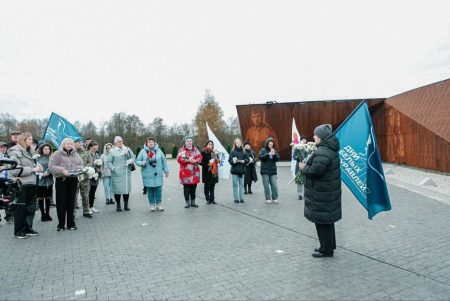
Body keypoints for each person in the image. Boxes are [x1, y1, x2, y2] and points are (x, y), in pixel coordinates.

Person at [299, 124, 341, 258]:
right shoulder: (329, 149)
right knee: (327, 223)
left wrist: (303, 168)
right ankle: (328, 246)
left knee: (322, 223)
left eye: (315, 135)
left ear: (321, 137)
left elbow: (315, 171)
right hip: (326, 192)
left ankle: (326, 250)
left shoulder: (323, 151)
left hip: (322, 193)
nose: (313, 137)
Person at [8, 133, 42, 238]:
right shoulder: (15, 151)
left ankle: (28, 228)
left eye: (32, 139)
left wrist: (38, 167)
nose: (32, 141)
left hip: (32, 183)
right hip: (21, 184)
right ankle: (19, 231)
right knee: (20, 209)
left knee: (30, 209)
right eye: (30, 139)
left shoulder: (30, 152)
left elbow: (34, 165)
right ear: (24, 140)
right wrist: (32, 169)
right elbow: (14, 169)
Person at [48, 138, 84, 231]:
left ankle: (71, 223)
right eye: (68, 143)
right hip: (61, 180)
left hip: (73, 179)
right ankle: (61, 224)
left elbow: (81, 165)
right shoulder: (56, 154)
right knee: (61, 202)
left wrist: (76, 169)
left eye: (71, 143)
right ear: (63, 144)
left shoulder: (76, 154)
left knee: (71, 202)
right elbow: (51, 166)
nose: (70, 145)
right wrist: (62, 170)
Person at [135, 137, 169, 211]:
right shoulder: (143, 151)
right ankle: (152, 205)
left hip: (158, 173)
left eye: (152, 142)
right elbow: (137, 161)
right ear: (146, 143)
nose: (151, 143)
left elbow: (164, 161)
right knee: (150, 190)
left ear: (154, 143)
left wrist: (166, 171)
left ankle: (159, 204)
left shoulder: (159, 151)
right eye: (149, 142)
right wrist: (142, 163)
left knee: (159, 189)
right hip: (148, 174)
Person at [107, 136, 135, 212]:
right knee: (117, 190)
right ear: (115, 143)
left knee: (126, 190)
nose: (120, 142)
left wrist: (129, 161)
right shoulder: (112, 151)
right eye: (118, 141)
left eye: (121, 141)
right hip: (117, 173)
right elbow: (108, 162)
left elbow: (133, 157)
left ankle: (126, 204)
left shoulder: (127, 149)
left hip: (126, 173)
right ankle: (118, 205)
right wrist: (113, 168)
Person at [177, 136, 202, 208]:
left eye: (190, 141)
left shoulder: (196, 149)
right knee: (186, 188)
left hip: (195, 173)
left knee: (194, 188)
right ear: (185, 142)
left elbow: (200, 157)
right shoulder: (182, 150)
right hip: (185, 173)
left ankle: (193, 201)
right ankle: (187, 202)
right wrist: (188, 160)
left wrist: (196, 160)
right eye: (188, 141)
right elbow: (179, 159)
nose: (189, 142)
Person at [74, 138, 93, 218]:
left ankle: (86, 211)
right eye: (78, 142)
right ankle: (72, 213)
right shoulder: (71, 153)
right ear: (74, 143)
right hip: (74, 177)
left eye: (81, 142)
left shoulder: (86, 152)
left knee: (85, 195)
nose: (80, 143)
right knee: (74, 196)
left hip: (84, 177)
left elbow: (90, 162)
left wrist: (85, 168)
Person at [36, 143, 54, 222]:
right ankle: (42, 214)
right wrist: (40, 173)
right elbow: (35, 167)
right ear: (42, 150)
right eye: (45, 149)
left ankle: (47, 214)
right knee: (41, 198)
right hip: (40, 181)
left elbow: (53, 167)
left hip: (49, 180)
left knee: (48, 198)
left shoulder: (52, 158)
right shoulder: (37, 158)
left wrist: (49, 172)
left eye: (48, 149)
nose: (47, 150)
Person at [259, 137, 280, 204]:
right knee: (266, 185)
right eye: (269, 144)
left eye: (272, 144)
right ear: (267, 144)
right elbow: (261, 157)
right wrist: (268, 154)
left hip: (273, 171)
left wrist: (274, 155)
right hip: (265, 171)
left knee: (274, 185)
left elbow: (277, 159)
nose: (271, 145)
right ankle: (268, 198)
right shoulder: (263, 150)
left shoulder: (275, 150)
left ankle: (275, 198)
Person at [229, 138, 248, 203]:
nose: (238, 143)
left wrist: (244, 161)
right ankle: (236, 198)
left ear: (241, 143)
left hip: (242, 171)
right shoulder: (232, 152)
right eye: (237, 142)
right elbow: (230, 161)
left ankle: (242, 198)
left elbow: (247, 159)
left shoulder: (244, 151)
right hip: (234, 171)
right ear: (235, 144)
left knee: (241, 185)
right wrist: (233, 161)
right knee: (235, 185)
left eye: (239, 142)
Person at [200, 140, 219, 205]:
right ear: (206, 145)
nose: (210, 145)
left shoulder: (214, 152)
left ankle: (212, 199)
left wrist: (217, 156)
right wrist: (208, 164)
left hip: (214, 171)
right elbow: (201, 162)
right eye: (209, 144)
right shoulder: (203, 152)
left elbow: (217, 161)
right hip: (207, 172)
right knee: (207, 186)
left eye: (211, 144)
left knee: (212, 185)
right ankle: (207, 199)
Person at [0, 141, 14, 223]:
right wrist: (4, 166)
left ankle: (9, 216)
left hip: (7, 180)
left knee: (8, 198)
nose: (3, 149)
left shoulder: (7, 158)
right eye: (1, 147)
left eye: (5, 147)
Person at [88, 141, 101, 213]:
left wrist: (100, 168)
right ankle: (87, 207)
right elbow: (87, 164)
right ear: (90, 147)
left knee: (93, 192)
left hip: (96, 176)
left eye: (97, 147)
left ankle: (91, 206)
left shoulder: (97, 154)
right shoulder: (87, 154)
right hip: (89, 176)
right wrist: (95, 169)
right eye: (94, 147)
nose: (96, 149)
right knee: (88, 192)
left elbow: (99, 163)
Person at [293, 136, 308, 200]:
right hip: (298, 165)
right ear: (301, 140)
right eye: (303, 140)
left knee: (306, 180)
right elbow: (294, 156)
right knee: (299, 180)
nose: (304, 141)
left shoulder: (308, 147)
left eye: (305, 140)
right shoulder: (297, 147)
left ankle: (306, 194)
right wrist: (298, 158)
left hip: (306, 166)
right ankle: (300, 194)